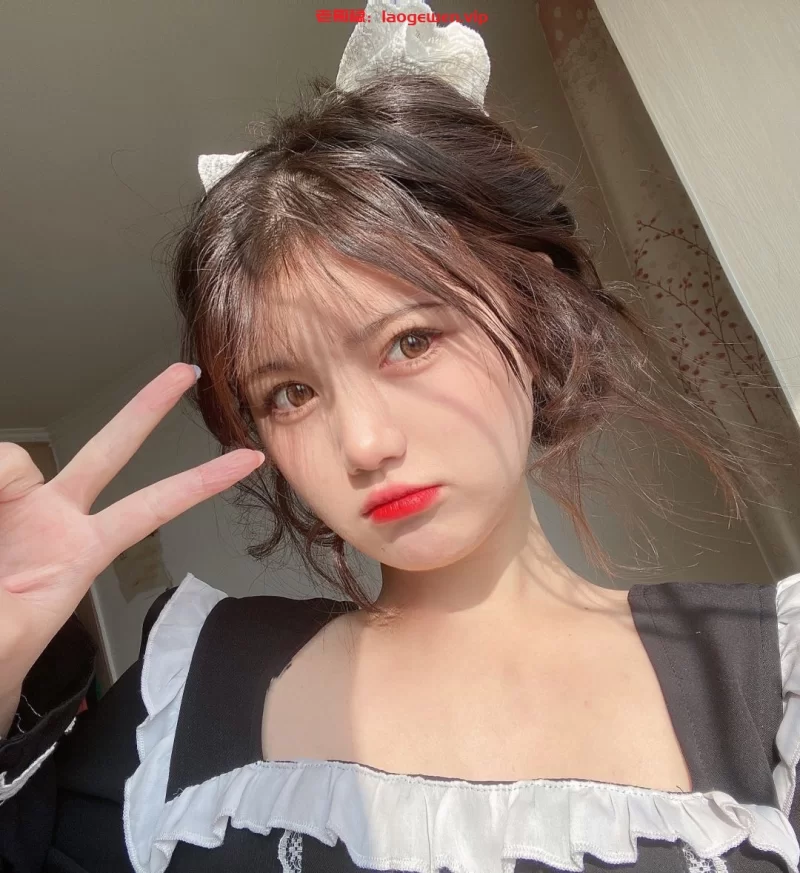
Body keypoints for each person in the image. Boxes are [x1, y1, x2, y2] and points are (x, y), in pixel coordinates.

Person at [2, 7, 800, 873]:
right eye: (291, 393)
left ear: (533, 310)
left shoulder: (760, 673)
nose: (365, 443)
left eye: (410, 341)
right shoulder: (189, 686)